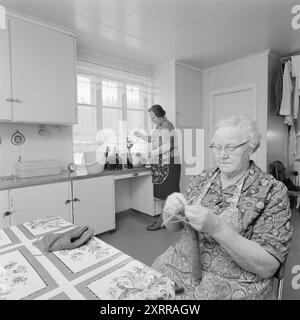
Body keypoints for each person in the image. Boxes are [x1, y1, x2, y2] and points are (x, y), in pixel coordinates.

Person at [152, 114, 293, 299]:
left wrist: (217, 228)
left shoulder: (272, 191)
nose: (222, 154)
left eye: (231, 147)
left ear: (251, 147)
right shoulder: (202, 179)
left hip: (232, 285)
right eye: (216, 147)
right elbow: (174, 227)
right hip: (177, 267)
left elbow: (268, 267)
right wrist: (170, 212)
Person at [134, 104, 181, 231]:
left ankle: (164, 221)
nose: (152, 120)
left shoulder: (167, 126)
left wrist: (151, 154)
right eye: (151, 118)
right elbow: (153, 139)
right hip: (162, 163)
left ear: (161, 116)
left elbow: (167, 146)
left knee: (168, 193)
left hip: (170, 163)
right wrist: (140, 135)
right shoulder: (159, 126)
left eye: (153, 117)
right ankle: (166, 220)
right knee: (162, 194)